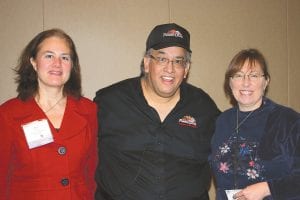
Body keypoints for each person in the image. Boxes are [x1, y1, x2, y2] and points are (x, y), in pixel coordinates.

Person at [94, 23, 220, 200]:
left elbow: (233, 155)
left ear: (187, 69)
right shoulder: (109, 102)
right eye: (162, 59)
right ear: (146, 63)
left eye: (178, 61)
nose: (170, 69)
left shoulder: (204, 108)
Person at [0, 29, 98, 200]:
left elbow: (91, 171)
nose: (57, 64)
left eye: (65, 57)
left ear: (72, 65)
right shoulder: (8, 114)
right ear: (33, 62)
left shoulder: (88, 110)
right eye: (49, 56)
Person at [210, 48, 300, 200]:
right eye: (238, 75)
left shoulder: (288, 121)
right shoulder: (222, 121)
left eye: (254, 75)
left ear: (266, 82)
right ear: (230, 82)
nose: (246, 83)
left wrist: (268, 188)